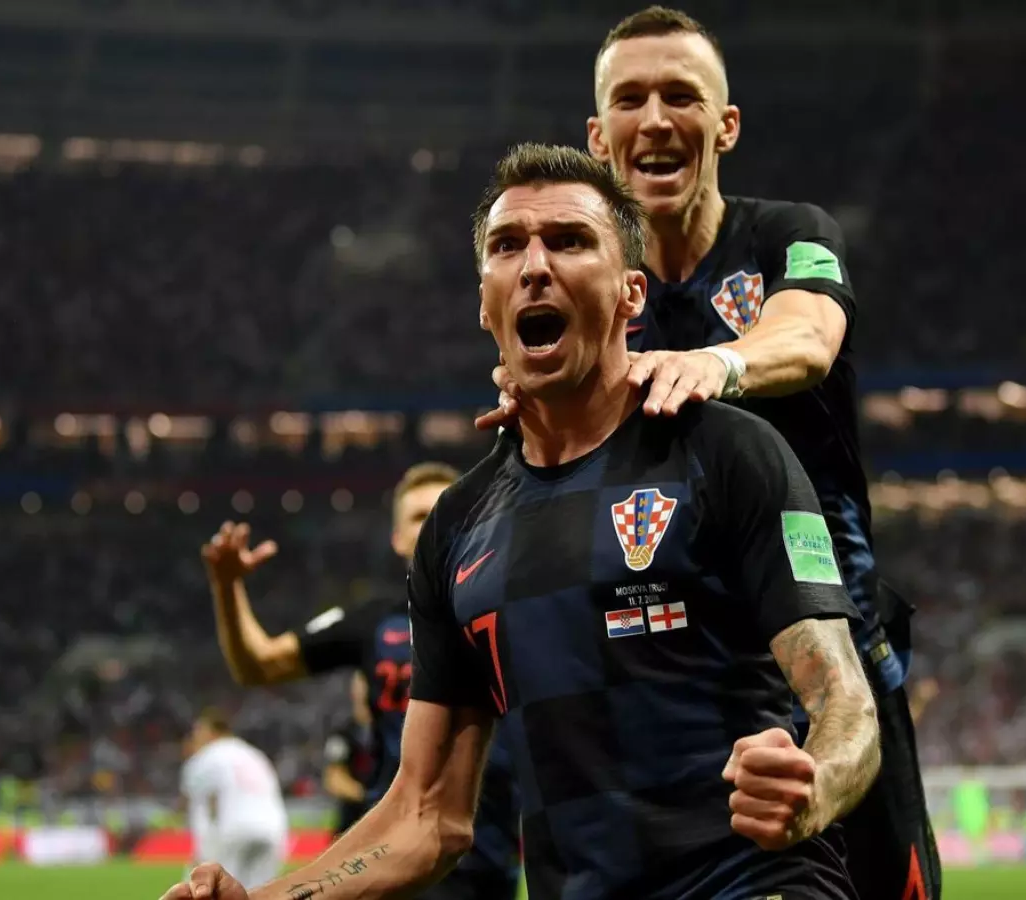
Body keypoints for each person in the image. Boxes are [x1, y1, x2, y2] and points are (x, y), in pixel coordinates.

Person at [161, 144, 882, 900]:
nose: (535, 265)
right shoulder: (457, 528)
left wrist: (816, 781)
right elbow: (427, 815)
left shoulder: (725, 452)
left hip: (752, 882)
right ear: (485, 303)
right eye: (508, 246)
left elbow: (846, 705)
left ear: (632, 294)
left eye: (570, 241)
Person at [471, 8, 941, 898]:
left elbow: (809, 339)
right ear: (598, 137)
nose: (655, 119)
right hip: (677, 673)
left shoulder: (790, 235)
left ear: (725, 126)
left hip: (827, 643)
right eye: (630, 99)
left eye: (680, 96)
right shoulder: (587, 288)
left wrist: (715, 364)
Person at [198, 462, 521, 900]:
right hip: (395, 861)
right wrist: (226, 588)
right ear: (398, 539)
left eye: (447, 511)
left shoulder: (518, 612)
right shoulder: (374, 621)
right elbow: (260, 664)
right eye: (418, 516)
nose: (434, 525)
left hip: (491, 861)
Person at [179, 709, 289, 890]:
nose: (194, 737)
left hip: (234, 829)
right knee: (258, 892)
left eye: (198, 731)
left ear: (212, 732)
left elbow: (204, 808)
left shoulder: (207, 756)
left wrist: (202, 851)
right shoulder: (255, 754)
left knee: (216, 890)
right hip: (273, 830)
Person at [323, 673, 380, 837]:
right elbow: (334, 779)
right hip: (351, 824)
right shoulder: (344, 734)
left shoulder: (392, 730)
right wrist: (369, 796)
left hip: (383, 822)